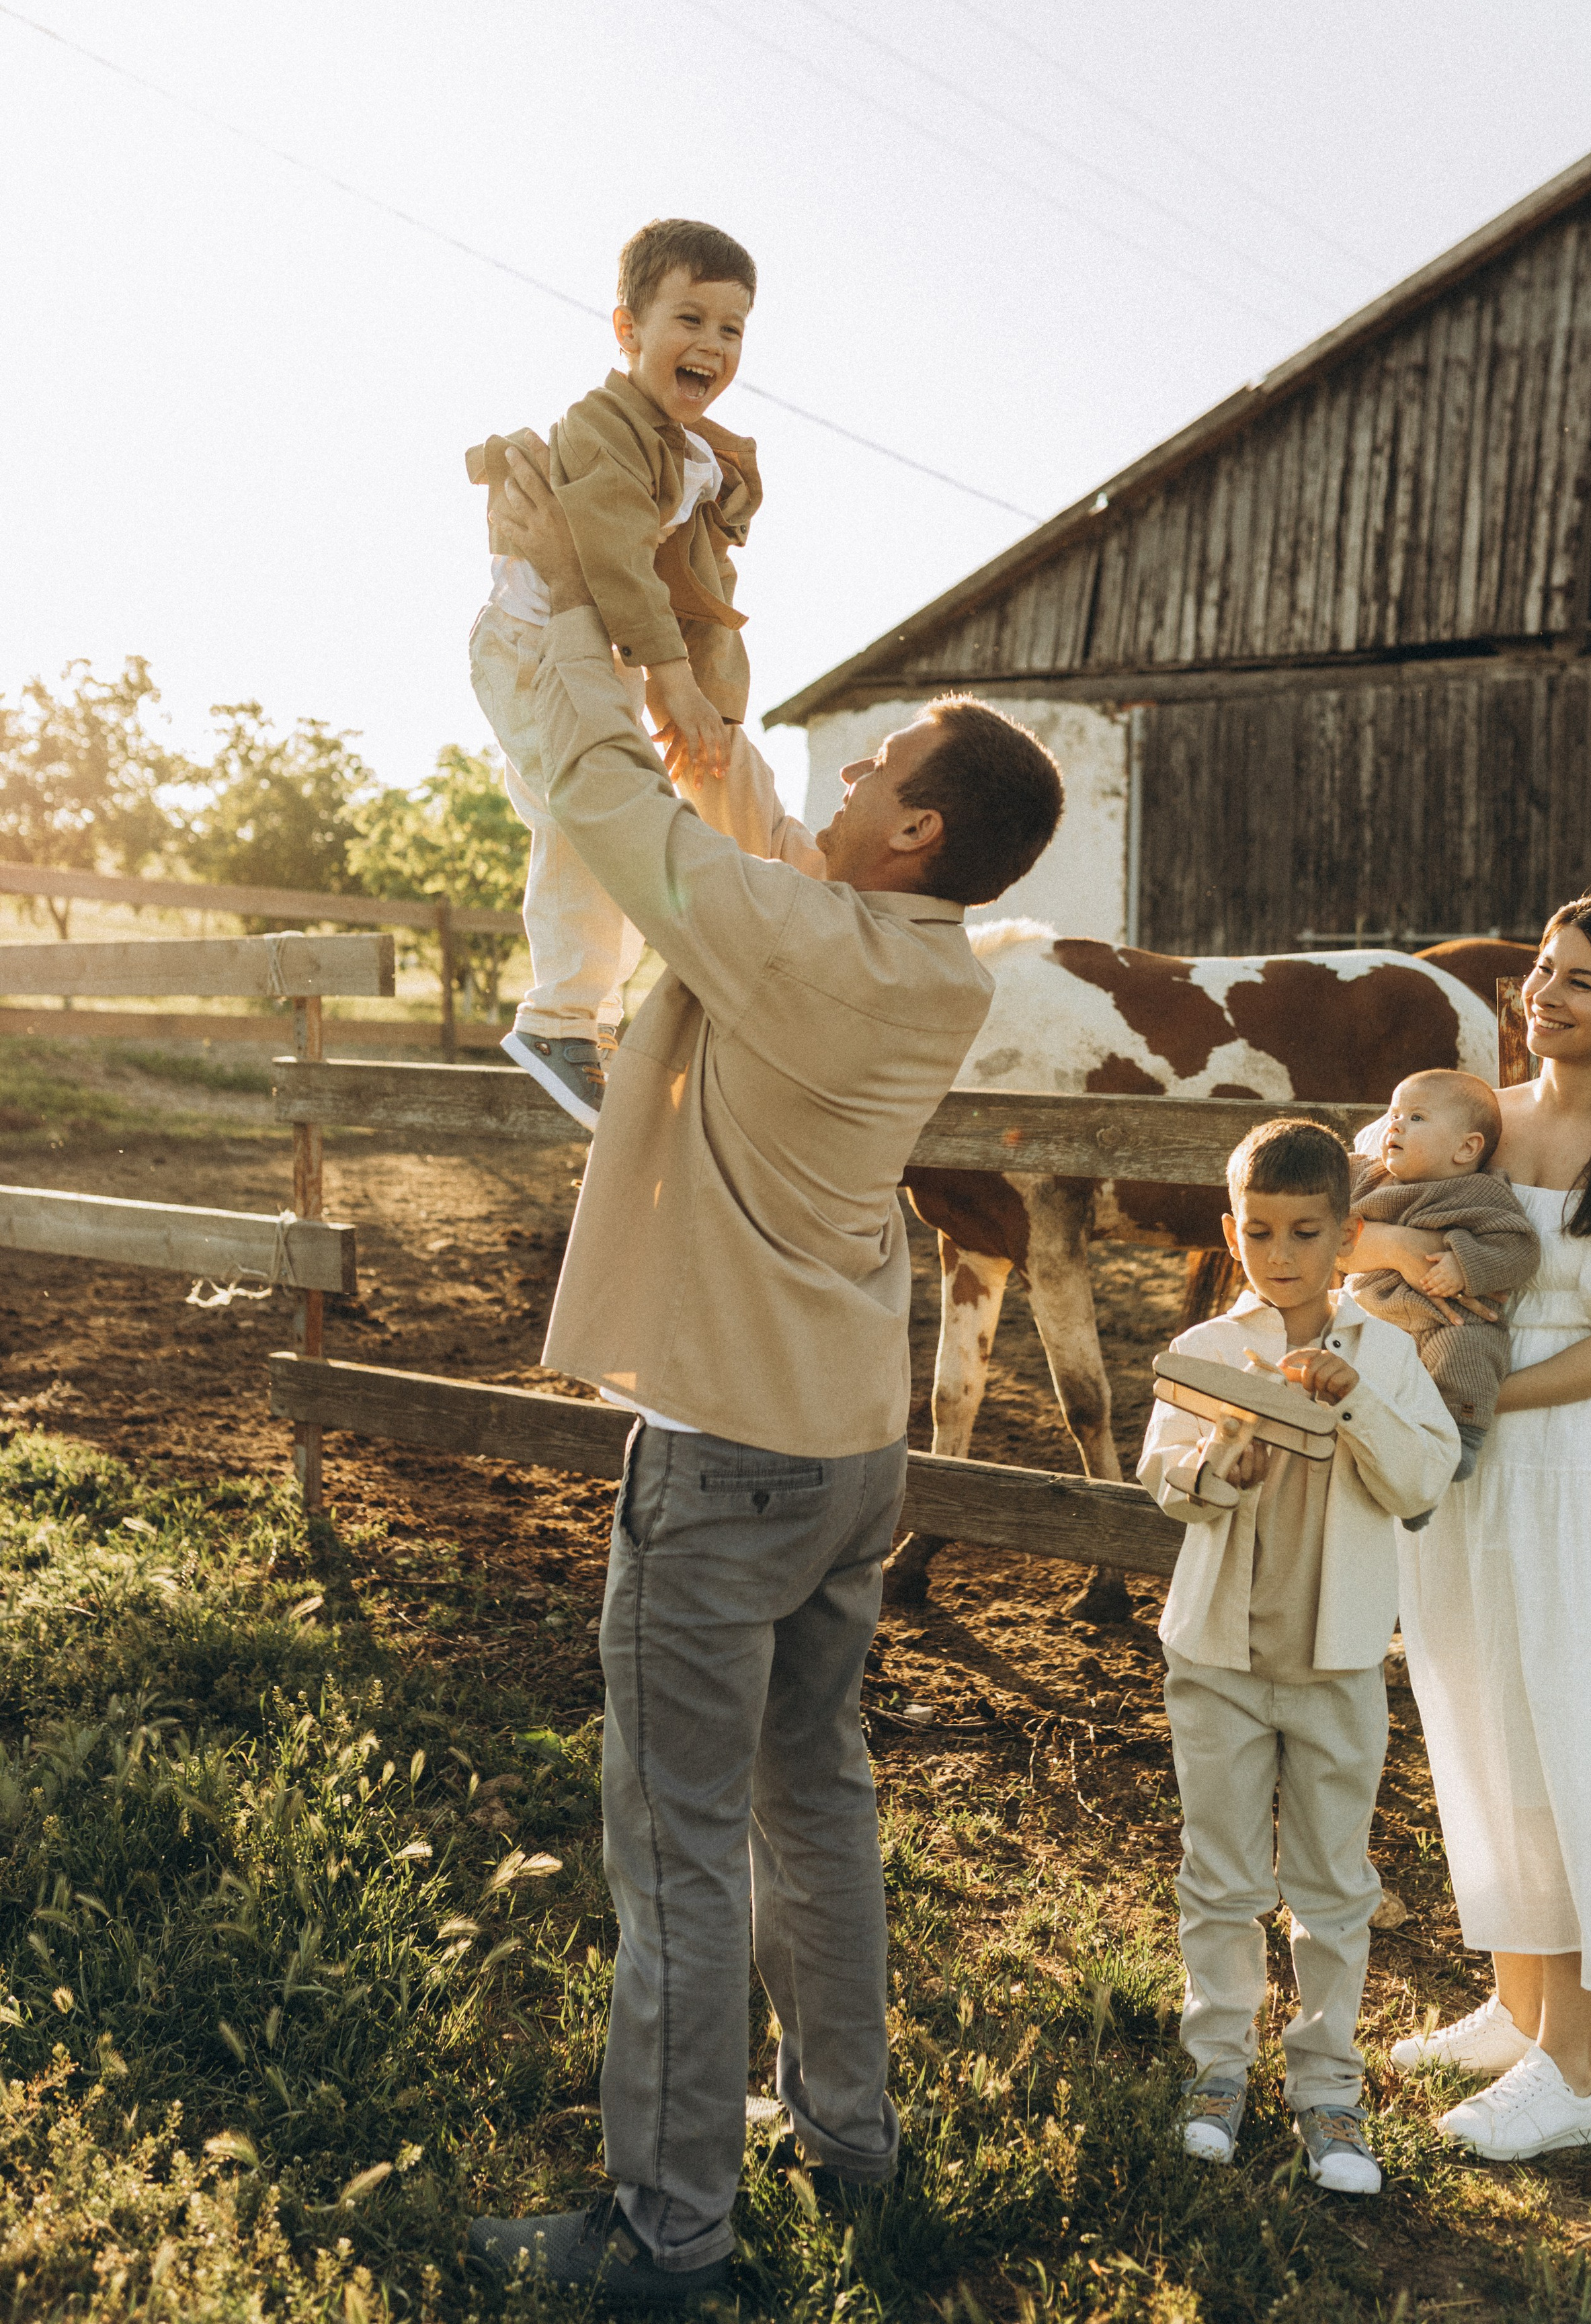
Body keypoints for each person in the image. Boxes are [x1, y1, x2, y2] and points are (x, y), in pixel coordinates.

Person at [464, 438, 1065, 2303]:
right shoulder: (921, 960)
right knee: (819, 1797)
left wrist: (534, 589)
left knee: (678, 1849)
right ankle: (851, 2139)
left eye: (873, 770)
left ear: (911, 838)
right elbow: (731, 796)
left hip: (726, 1466)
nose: (844, 776)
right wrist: (692, 611)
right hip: (847, 1460)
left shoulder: (797, 939)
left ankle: (667, 2236)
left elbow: (593, 784)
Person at [1387, 889, 1591, 2161]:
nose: (1544, 992)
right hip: (1466, 1464)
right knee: (1483, 1717)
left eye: (1580, 980)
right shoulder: (1482, 1124)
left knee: (1572, 1729)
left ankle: (1572, 2071)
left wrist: (1483, 1402)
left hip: (1581, 1466)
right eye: (1542, 967)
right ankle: (1518, 2005)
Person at [1139, 1118, 1459, 2195]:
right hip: (1217, 1662)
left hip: (1338, 1666)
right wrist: (1221, 1466)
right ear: (1233, 1233)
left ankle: (1328, 2088)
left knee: (1333, 1886)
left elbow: (1422, 1481)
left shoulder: (1389, 1358)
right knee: (1221, 1877)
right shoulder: (1206, 1353)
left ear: (1348, 1234)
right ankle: (1215, 2073)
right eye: (1261, 1231)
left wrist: (1352, 1400)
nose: (1280, 1255)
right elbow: (1164, 1477)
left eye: (1306, 1232)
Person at [469, 217, 770, 1128]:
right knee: (590, 819)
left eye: (732, 329)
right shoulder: (600, 429)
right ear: (627, 329)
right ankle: (559, 1020)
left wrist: (714, 707)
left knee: (630, 832)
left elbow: (703, 592)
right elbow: (609, 559)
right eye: (690, 319)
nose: (711, 345)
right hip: (531, 651)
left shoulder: (694, 459)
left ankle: (587, 1018)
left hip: (597, 664)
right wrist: (673, 685)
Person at [1340, 1069, 1541, 1520]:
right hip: (1373, 1312)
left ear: (1466, 1148)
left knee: (1468, 1351)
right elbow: (1320, 1208)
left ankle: (1457, 1443)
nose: (1394, 1126)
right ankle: (1389, 1477)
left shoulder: (1479, 1193)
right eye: (1393, 1114)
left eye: (1416, 1118)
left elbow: (1518, 1247)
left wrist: (1463, 1263)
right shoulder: (1367, 1178)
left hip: (1442, 1317)